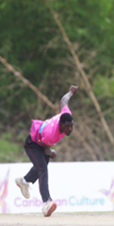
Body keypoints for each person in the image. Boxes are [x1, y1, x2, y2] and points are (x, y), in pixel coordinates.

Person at [15, 85, 79, 217]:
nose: (70, 130)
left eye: (72, 126)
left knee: (41, 166)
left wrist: (70, 92)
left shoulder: (66, 115)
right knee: (43, 168)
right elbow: (45, 148)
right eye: (67, 127)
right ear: (61, 125)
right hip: (33, 144)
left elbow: (63, 101)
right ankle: (47, 203)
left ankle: (24, 181)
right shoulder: (52, 134)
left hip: (42, 142)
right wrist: (52, 152)